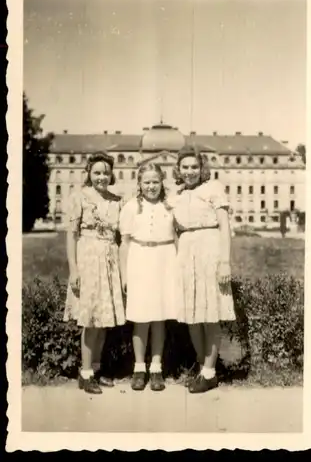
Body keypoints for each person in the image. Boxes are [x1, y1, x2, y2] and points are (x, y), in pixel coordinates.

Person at [169, 145, 236, 394]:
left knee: (210, 313)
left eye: (194, 167)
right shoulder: (175, 196)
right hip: (187, 255)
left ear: (202, 168)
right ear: (178, 169)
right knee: (193, 315)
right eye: (185, 167)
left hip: (210, 251)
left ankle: (210, 372)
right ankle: (202, 367)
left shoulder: (214, 189)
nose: (189, 171)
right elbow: (174, 231)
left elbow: (224, 226)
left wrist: (224, 261)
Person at [63, 152, 126, 394]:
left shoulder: (116, 200)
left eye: (106, 173)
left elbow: (121, 236)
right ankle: (85, 372)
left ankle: (97, 369)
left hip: (109, 261)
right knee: (90, 320)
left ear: (112, 175)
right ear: (89, 173)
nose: (101, 177)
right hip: (88, 259)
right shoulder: (79, 197)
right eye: (97, 172)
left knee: (103, 320)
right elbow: (72, 235)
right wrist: (74, 269)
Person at [119, 163, 177, 392]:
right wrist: (124, 275)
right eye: (147, 182)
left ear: (162, 182)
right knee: (141, 318)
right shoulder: (131, 207)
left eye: (155, 181)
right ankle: (139, 368)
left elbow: (177, 237)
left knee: (159, 317)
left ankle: (156, 368)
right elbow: (123, 244)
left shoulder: (171, 206)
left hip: (165, 261)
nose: (151, 186)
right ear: (139, 184)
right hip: (139, 260)